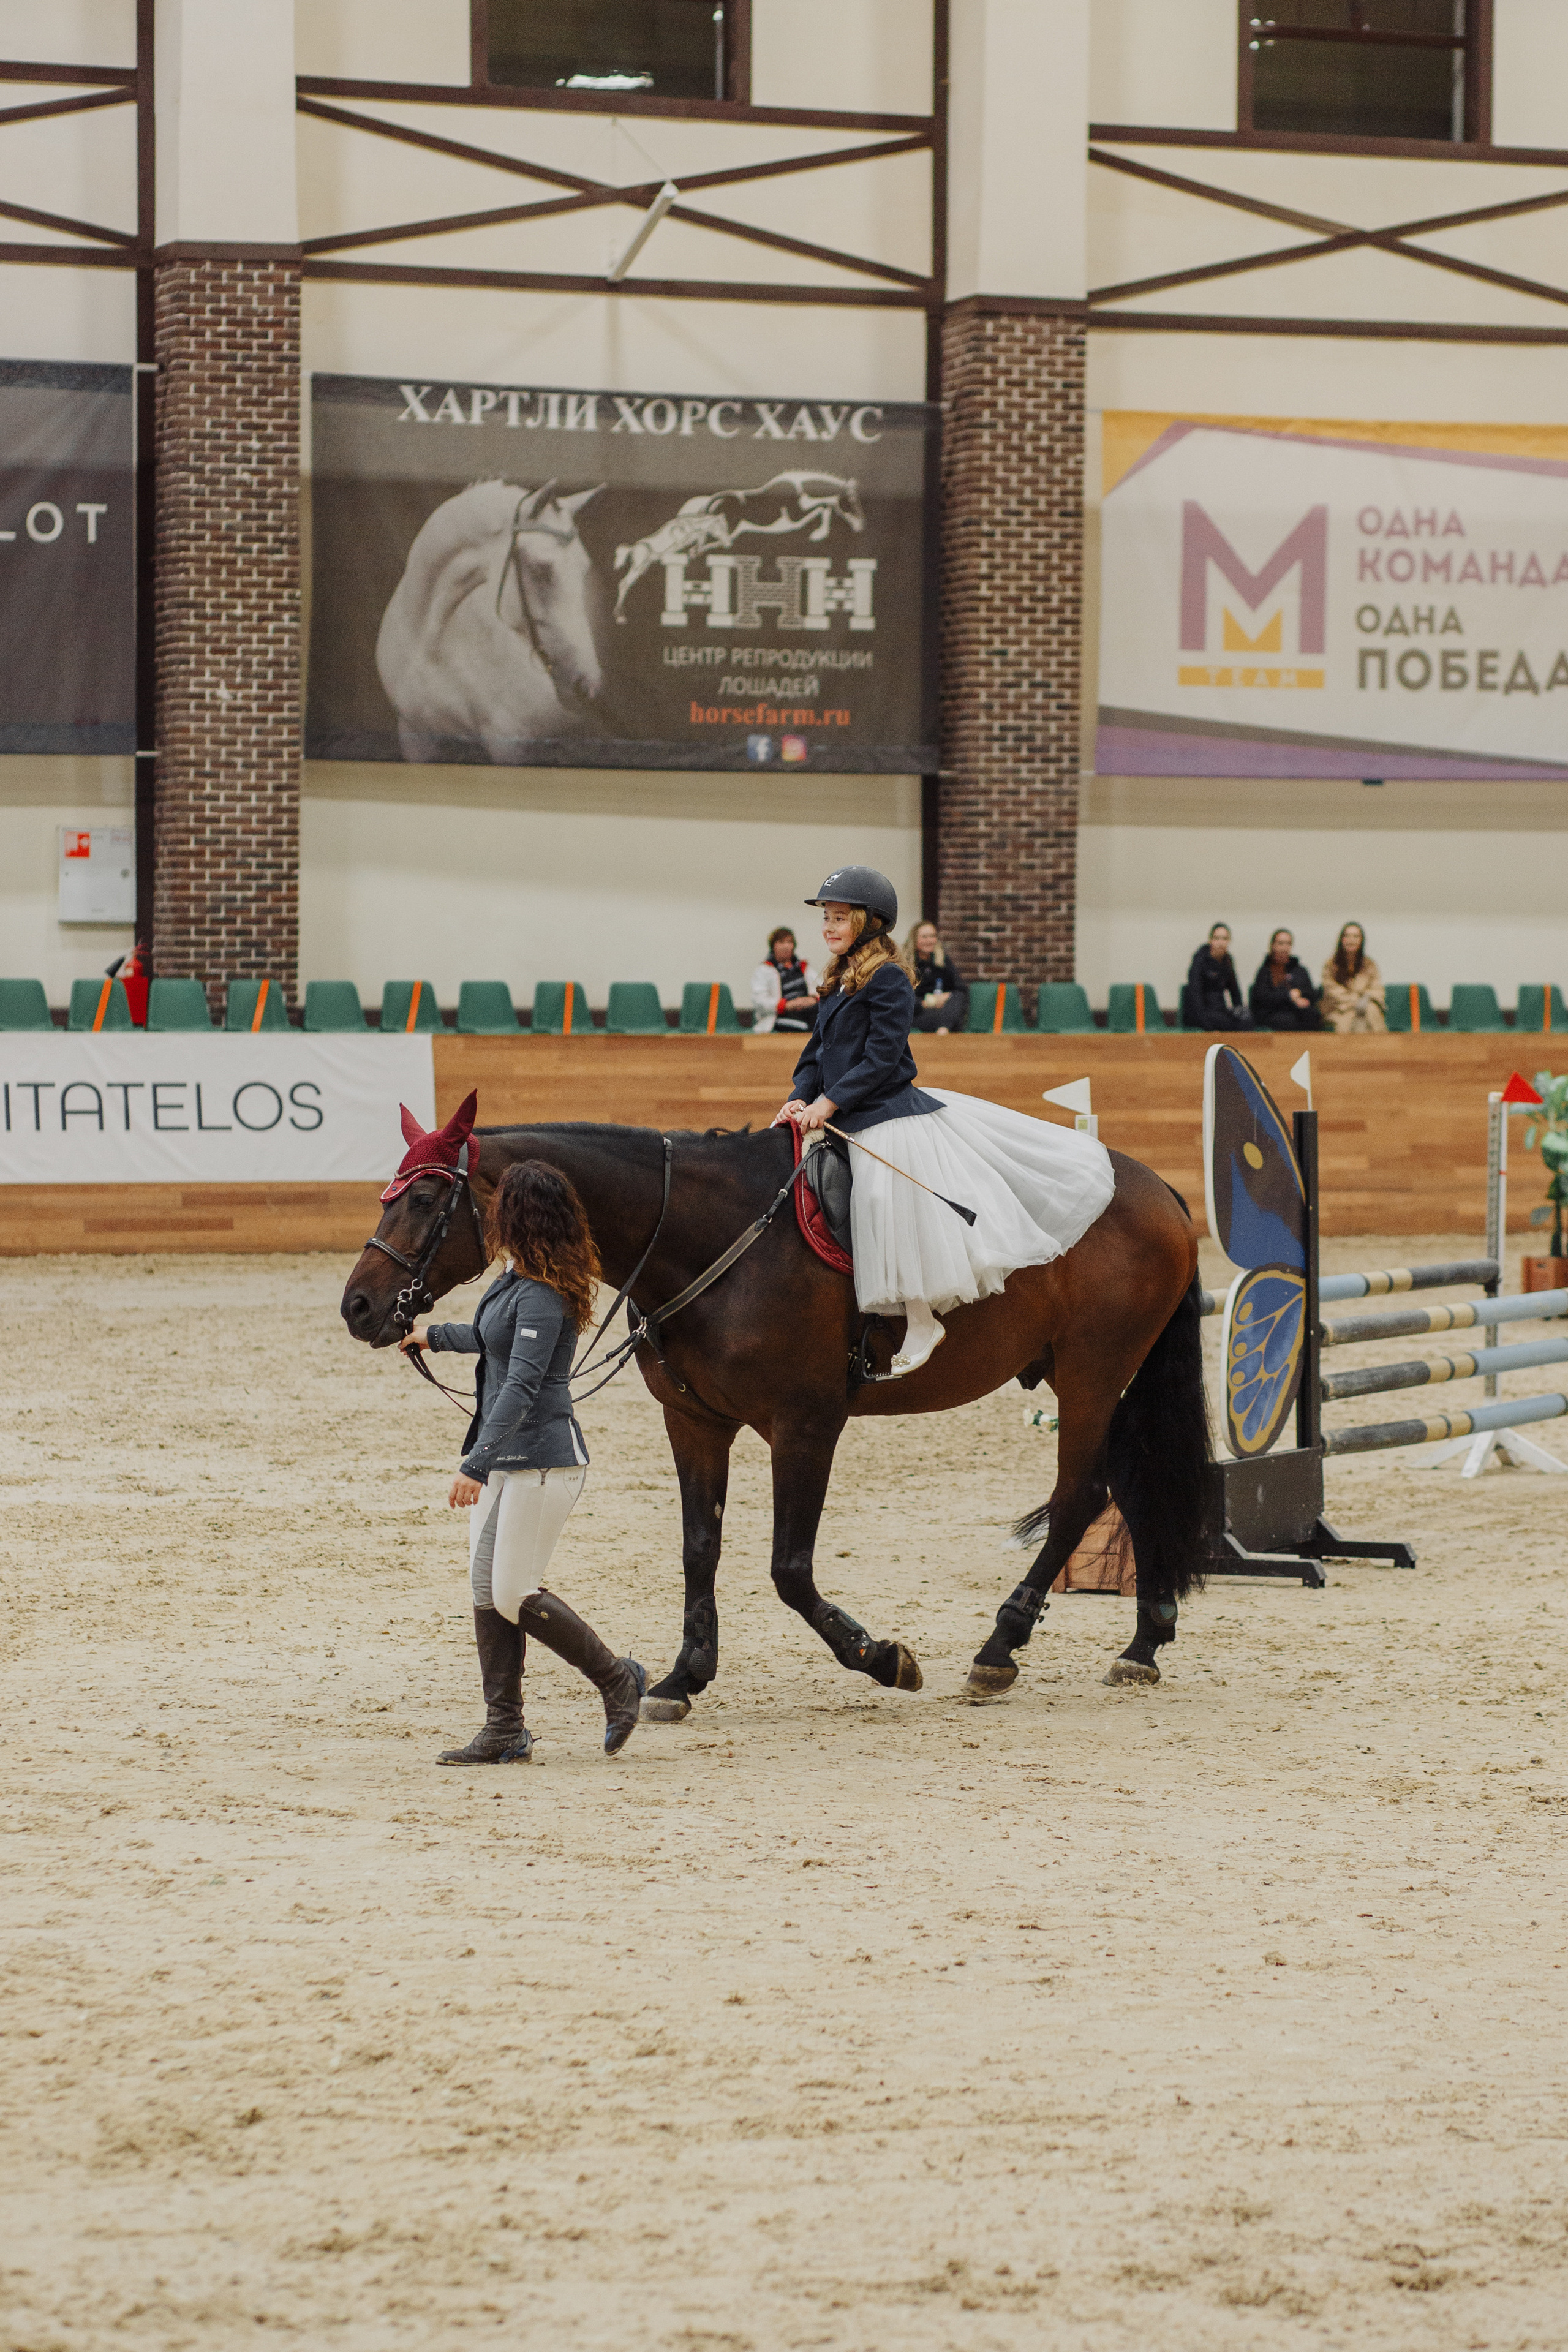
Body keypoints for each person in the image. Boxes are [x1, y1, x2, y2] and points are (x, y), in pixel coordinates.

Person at [773, 865, 1115, 1378]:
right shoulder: (835, 978)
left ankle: (920, 1318)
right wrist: (800, 1097)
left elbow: (882, 1057)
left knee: (881, 1197)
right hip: (841, 1113)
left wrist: (831, 1103)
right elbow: (815, 1052)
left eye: (839, 918)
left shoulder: (888, 977)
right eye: (826, 917)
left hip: (885, 1112)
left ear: (869, 922)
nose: (828, 927)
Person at [401, 1159, 646, 1765]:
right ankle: (504, 1729)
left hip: (542, 1461)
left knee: (513, 1590)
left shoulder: (542, 1293)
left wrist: (476, 1465)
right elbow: (492, 1338)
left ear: (518, 1215)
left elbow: (522, 1388)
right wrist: (433, 1337)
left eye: (498, 1206)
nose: (488, 1215)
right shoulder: (515, 1280)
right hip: (508, 1460)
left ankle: (617, 1678)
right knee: (486, 1589)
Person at [1249, 928, 1323, 1031]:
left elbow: (1311, 992)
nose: (1284, 948)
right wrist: (1288, 996)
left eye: (1288, 944)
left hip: (1298, 1010)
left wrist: (1301, 995)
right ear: (1273, 945)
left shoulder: (1300, 970)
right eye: (1281, 944)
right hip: (1274, 1012)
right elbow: (1262, 997)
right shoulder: (1265, 971)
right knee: (1288, 1021)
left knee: (1313, 1016)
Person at [904, 919, 969, 1035]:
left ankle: (943, 1030)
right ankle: (944, 1030)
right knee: (952, 1019)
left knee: (959, 997)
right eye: (924, 937)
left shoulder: (943, 960)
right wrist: (927, 1003)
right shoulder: (907, 964)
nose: (929, 941)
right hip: (920, 1012)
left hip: (945, 1009)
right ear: (915, 940)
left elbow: (961, 989)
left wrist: (946, 996)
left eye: (932, 936)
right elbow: (902, 998)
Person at [1185, 923, 1254, 1031]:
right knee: (1225, 1023)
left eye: (1225, 939)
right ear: (1211, 940)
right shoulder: (1200, 960)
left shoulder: (1228, 961)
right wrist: (1207, 1025)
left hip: (1220, 1010)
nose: (1221, 943)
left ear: (1229, 941)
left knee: (1247, 1020)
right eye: (1217, 938)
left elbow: (1235, 991)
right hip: (1201, 1012)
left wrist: (1240, 1011)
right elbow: (1195, 994)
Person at [750, 926, 819, 1035]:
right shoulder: (764, 970)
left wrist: (814, 999)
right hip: (780, 1016)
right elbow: (759, 1001)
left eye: (789, 942)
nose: (786, 946)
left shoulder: (803, 968)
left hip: (808, 1010)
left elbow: (822, 988)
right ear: (773, 946)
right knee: (808, 1027)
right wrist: (787, 1005)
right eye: (782, 942)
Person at [1320, 921, 1386, 1033]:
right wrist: (1355, 1000)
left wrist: (1364, 1001)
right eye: (1347, 936)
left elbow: (1377, 990)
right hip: (1340, 1009)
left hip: (1365, 1007)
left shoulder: (1369, 964)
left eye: (1356, 936)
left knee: (1371, 1013)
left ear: (1361, 941)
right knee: (1349, 1021)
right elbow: (1332, 991)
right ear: (1342, 940)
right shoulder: (1331, 965)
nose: (1352, 940)